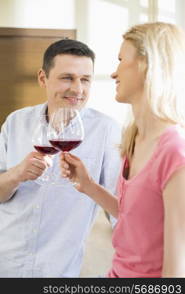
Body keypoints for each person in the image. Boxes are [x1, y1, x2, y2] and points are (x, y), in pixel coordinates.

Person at [60, 22, 185, 278]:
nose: (114, 73)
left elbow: (176, 273)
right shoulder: (134, 138)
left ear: (146, 65)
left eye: (120, 60)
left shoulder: (175, 152)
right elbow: (136, 219)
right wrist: (88, 185)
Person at [0, 39, 121, 277]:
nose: (77, 89)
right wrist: (16, 174)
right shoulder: (16, 121)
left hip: (59, 271)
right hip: (6, 262)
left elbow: (119, 210)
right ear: (43, 78)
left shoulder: (106, 130)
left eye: (85, 79)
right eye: (67, 77)